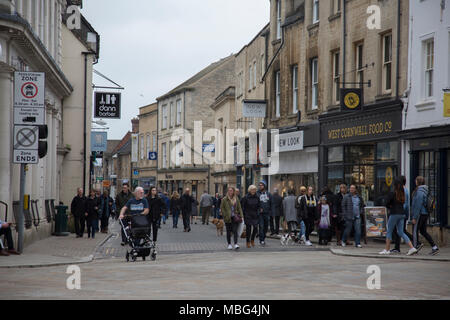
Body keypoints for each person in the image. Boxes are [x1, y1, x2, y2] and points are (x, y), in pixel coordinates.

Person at [379, 178, 418, 256]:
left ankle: (387, 249)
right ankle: (412, 247)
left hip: (394, 213)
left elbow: (386, 202)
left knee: (389, 230)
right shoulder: (402, 193)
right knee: (401, 232)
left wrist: (390, 206)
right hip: (402, 214)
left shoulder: (392, 193)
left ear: (395, 185)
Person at [411, 176, 439, 255]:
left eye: (416, 180)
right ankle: (434, 247)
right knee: (423, 231)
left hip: (420, 214)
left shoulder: (419, 192)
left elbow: (417, 205)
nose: (415, 182)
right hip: (425, 213)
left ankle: (415, 247)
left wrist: (414, 217)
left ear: (418, 182)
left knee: (415, 231)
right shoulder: (425, 190)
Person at [392, 176, 413, 253]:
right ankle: (397, 247)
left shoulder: (403, 191)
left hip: (401, 213)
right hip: (403, 213)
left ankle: (416, 242)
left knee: (400, 230)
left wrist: (401, 211)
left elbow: (405, 204)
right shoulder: (405, 190)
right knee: (399, 230)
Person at [257, 181, 272, 246]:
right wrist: (259, 208)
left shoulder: (268, 194)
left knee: (266, 227)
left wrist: (272, 212)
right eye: (259, 185)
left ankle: (263, 238)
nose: (260, 186)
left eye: (261, 185)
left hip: (267, 213)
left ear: (264, 186)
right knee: (261, 226)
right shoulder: (257, 194)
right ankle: (261, 240)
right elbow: (255, 203)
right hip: (260, 213)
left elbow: (271, 203)